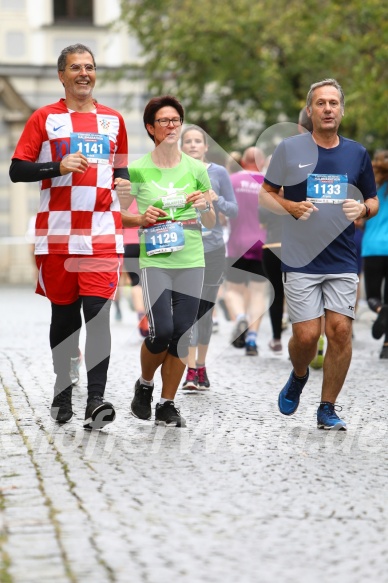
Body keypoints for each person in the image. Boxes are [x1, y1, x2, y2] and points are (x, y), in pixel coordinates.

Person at [9, 43, 131, 429]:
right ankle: (63, 386)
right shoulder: (45, 118)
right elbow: (17, 170)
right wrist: (55, 166)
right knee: (64, 320)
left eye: (90, 67)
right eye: (75, 67)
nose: (84, 73)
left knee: (97, 316)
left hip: (101, 232)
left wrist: (125, 190)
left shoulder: (114, 121)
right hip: (58, 234)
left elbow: (121, 173)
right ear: (61, 75)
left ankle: (96, 400)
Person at [260, 78, 378, 430]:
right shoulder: (289, 149)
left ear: (342, 110)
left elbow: (371, 199)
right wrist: (291, 207)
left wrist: (364, 211)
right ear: (310, 111)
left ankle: (328, 407)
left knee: (340, 331)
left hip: (341, 258)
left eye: (333, 103)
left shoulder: (356, 153)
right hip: (300, 258)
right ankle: (298, 375)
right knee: (307, 337)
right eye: (320, 103)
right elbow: (266, 194)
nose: (327, 109)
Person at [121, 95, 216, 427]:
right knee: (161, 330)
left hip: (191, 258)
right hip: (156, 261)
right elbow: (116, 216)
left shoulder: (196, 168)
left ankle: (167, 403)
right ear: (151, 128)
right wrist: (140, 218)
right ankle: (145, 385)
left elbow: (212, 221)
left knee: (183, 335)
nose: (172, 126)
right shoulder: (137, 169)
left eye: (176, 120)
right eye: (164, 121)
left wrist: (205, 205)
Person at [180, 125, 238, 390]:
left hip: (213, 249)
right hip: (185, 248)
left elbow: (234, 210)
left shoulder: (219, 173)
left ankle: (201, 366)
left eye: (197, 141)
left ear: (205, 146)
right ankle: (190, 371)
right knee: (187, 310)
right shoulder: (177, 172)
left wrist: (216, 200)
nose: (193, 145)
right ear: (182, 147)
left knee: (204, 312)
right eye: (188, 141)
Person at [225, 147, 268, 356]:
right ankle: (252, 340)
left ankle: (240, 317)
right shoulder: (269, 184)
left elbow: (223, 214)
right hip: (262, 244)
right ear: (261, 161)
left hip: (236, 243)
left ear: (242, 160)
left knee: (233, 290)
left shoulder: (231, 181)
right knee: (258, 292)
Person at [361, 149, 388, 358]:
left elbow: (362, 218)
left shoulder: (371, 189)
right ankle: (386, 347)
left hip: (372, 248)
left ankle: (381, 311)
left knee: (373, 297)